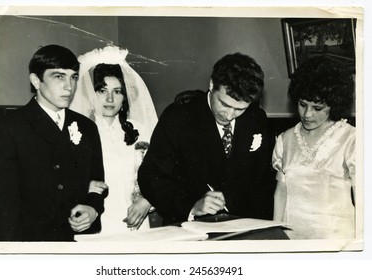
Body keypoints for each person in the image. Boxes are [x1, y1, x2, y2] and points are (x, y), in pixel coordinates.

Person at [0, 44, 106, 241]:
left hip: (80, 240)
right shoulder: (6, 129)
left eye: (73, 77)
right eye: (59, 76)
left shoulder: (86, 127)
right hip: (32, 244)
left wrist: (93, 207)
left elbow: (97, 183)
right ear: (36, 80)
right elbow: (2, 208)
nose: (69, 86)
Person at [138, 52, 274, 225]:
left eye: (240, 109)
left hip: (245, 226)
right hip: (190, 228)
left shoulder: (256, 119)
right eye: (225, 104)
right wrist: (191, 207)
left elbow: (262, 182)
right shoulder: (178, 118)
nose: (230, 115)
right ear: (211, 84)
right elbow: (150, 176)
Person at [70, 46, 158, 234]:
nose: (110, 98)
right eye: (102, 91)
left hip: (135, 223)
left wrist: (147, 199)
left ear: (124, 96)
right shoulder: (77, 131)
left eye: (117, 91)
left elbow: (158, 174)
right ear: (91, 93)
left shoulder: (140, 130)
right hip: (94, 221)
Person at [272, 56, 356, 239]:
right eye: (303, 105)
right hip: (292, 237)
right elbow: (281, 192)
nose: (307, 114)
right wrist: (275, 234)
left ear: (333, 105)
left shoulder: (351, 139)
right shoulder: (285, 139)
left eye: (317, 108)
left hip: (337, 240)